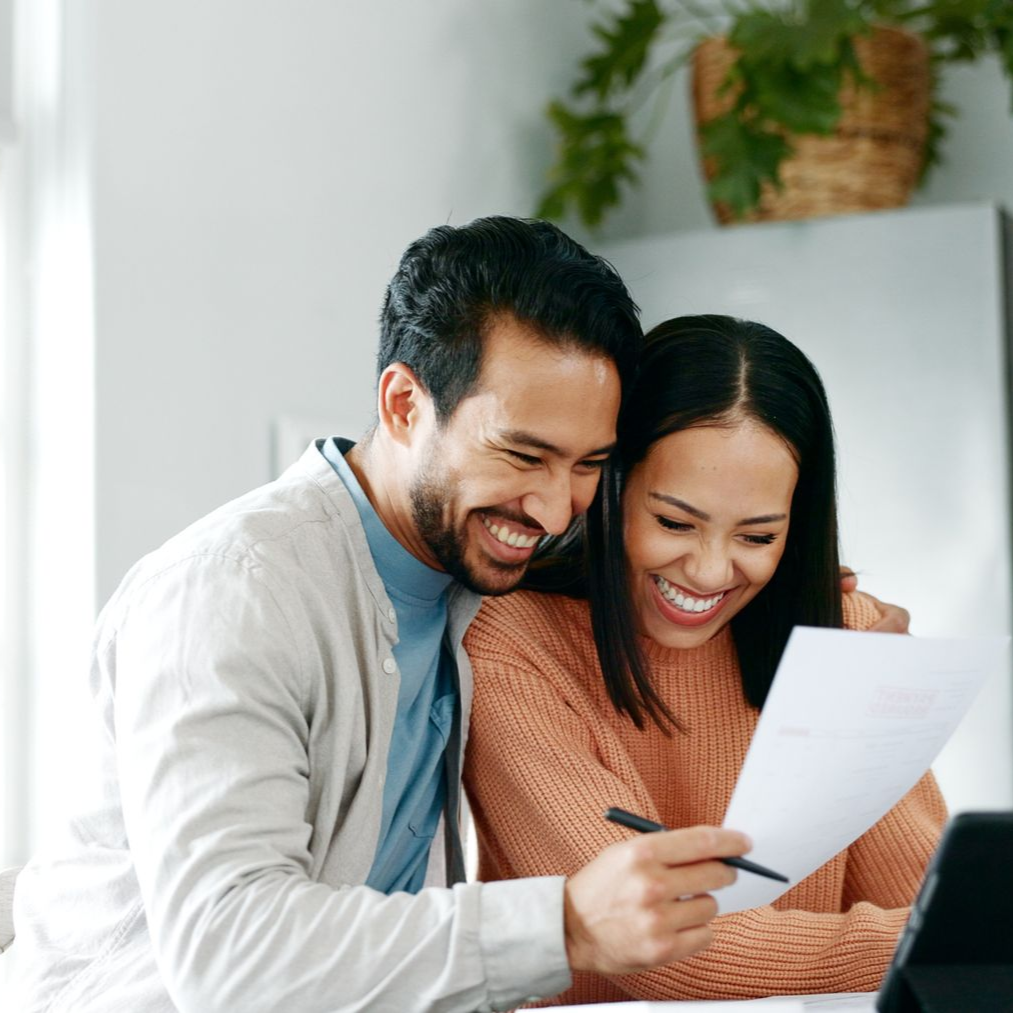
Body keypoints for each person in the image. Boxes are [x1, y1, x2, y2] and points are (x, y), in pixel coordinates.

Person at [10, 219, 754, 1013]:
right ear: (403, 404)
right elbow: (231, 954)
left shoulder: (474, 576)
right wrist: (561, 923)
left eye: (587, 465)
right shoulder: (234, 590)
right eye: (521, 454)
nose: (552, 507)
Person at [463, 315, 945, 1005]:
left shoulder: (848, 635)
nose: (710, 569)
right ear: (610, 487)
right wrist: (938, 943)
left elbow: (927, 894)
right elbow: (657, 945)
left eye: (756, 534)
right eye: (673, 522)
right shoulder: (512, 644)